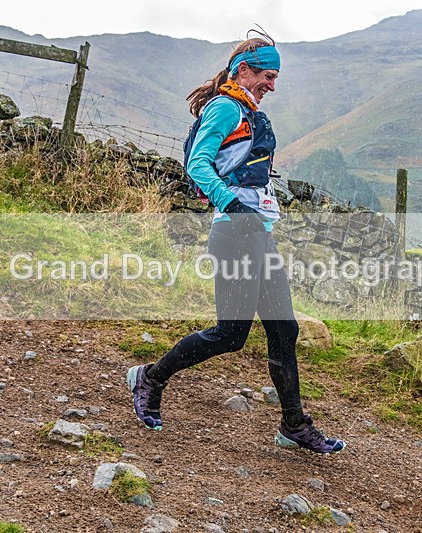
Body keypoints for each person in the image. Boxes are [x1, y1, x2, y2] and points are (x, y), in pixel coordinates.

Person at [126, 30, 346, 454]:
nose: (272, 85)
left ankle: (294, 425)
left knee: (285, 329)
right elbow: (197, 164)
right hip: (234, 234)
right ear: (242, 70)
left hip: (259, 236)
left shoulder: (247, 110)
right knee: (231, 334)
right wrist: (233, 203)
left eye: (276, 77)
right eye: (267, 75)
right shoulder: (226, 108)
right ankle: (150, 377)